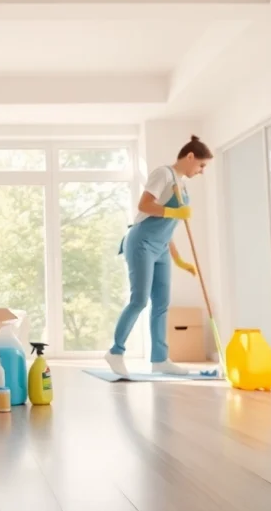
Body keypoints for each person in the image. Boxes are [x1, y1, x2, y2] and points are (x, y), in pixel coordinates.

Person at [104, 135, 212, 377]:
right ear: (190, 156)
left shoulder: (182, 185)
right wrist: (174, 209)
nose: (202, 170)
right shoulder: (163, 174)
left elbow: (168, 227)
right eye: (201, 165)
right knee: (140, 300)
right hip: (141, 241)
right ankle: (115, 351)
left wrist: (179, 259)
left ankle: (160, 359)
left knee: (162, 304)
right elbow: (144, 206)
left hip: (161, 246)